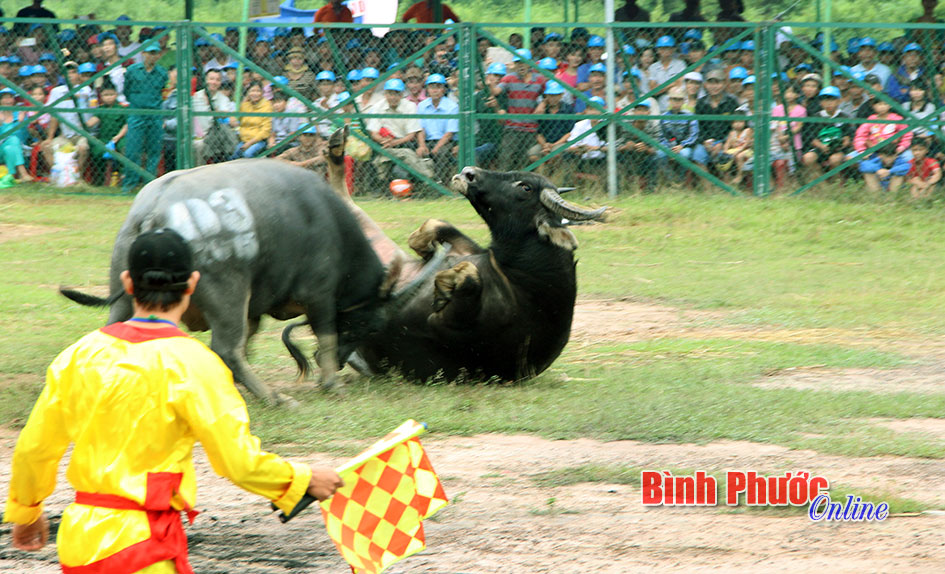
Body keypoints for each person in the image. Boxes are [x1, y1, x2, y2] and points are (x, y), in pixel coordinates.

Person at [5, 228, 343, 573]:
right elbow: (238, 463)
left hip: (80, 544)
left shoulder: (78, 355)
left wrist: (26, 511)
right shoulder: (195, 363)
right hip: (144, 547)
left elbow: (34, 449)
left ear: (128, 282)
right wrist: (302, 479)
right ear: (193, 283)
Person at [365, 78, 432, 183]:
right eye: (390, 93)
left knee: (405, 153)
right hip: (384, 143)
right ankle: (430, 178)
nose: (393, 97)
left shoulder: (410, 106)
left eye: (396, 94)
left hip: (404, 142)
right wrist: (384, 141)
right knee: (405, 155)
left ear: (401, 95)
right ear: (385, 94)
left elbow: (411, 134)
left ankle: (428, 179)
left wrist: (394, 142)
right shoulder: (378, 107)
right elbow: (373, 132)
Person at [122, 43, 168, 192]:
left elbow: (161, 89)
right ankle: (130, 184)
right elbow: (127, 90)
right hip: (136, 112)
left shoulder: (162, 72)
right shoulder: (132, 70)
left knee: (154, 150)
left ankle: (150, 185)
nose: (152, 56)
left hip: (155, 114)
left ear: (159, 55)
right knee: (132, 150)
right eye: (149, 53)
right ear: (143, 53)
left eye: (155, 53)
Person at [493, 48, 545, 171]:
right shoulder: (509, 78)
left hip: (530, 127)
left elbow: (549, 95)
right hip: (512, 126)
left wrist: (543, 103)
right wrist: (490, 84)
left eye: (524, 62)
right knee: (506, 159)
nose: (521, 66)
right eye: (518, 63)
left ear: (530, 63)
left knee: (526, 162)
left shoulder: (539, 79)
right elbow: (496, 91)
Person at [417, 73, 459, 184]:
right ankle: (421, 183)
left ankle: (441, 184)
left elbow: (449, 133)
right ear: (427, 89)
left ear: (444, 89)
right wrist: (422, 145)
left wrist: (436, 147)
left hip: (445, 142)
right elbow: (420, 129)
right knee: (417, 151)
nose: (435, 90)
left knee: (441, 153)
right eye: (432, 87)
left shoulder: (452, 106)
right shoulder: (422, 105)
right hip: (426, 140)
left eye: (438, 87)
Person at [529, 80, 574, 176]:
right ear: (546, 96)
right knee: (533, 154)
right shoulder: (543, 110)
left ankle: (554, 175)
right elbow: (538, 133)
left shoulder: (568, 109)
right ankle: (541, 175)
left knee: (556, 154)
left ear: (561, 95)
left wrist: (553, 145)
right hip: (545, 142)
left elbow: (570, 133)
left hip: (561, 142)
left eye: (556, 95)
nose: (553, 98)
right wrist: (545, 145)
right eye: (550, 95)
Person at [86, 81, 127, 185]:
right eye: (105, 95)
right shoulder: (101, 109)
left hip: (119, 138)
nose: (109, 97)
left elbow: (126, 125)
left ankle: (123, 176)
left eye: (111, 94)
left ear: (116, 95)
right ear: (101, 96)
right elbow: (93, 121)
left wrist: (118, 137)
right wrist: (84, 124)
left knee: (124, 147)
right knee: (96, 149)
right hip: (104, 138)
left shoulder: (122, 108)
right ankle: (99, 179)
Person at [657, 86, 699, 180]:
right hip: (667, 146)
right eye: (674, 99)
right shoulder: (663, 117)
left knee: (685, 154)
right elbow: (661, 135)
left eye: (679, 99)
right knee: (660, 154)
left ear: (684, 101)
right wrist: (668, 148)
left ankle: (680, 179)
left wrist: (682, 145)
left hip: (684, 147)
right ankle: (670, 178)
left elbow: (693, 134)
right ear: (669, 100)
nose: (676, 102)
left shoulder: (690, 116)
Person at [0, 88, 34, 182]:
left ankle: (11, 176)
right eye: (5, 98)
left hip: (18, 148)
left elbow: (24, 136)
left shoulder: (20, 114)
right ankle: (23, 174)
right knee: (13, 140)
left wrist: (20, 123)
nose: (8, 101)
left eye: (10, 98)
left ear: (14, 100)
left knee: (11, 146)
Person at [232, 81, 272, 159]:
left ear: (262, 92)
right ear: (248, 93)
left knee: (247, 154)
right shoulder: (245, 105)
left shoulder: (267, 106)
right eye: (252, 91)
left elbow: (265, 131)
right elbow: (237, 120)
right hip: (244, 140)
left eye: (258, 91)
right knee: (233, 156)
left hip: (258, 140)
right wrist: (244, 101)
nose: (255, 94)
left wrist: (249, 143)